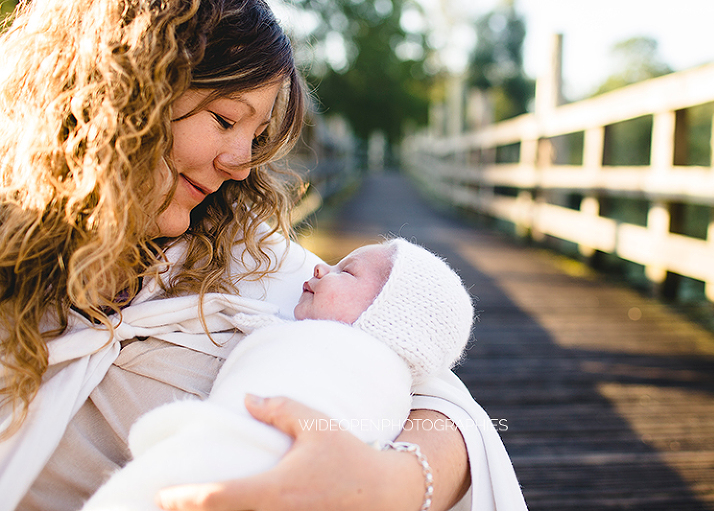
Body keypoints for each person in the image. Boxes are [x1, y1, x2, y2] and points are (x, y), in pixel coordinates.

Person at [0, 1, 527, 510]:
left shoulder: (246, 259)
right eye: (226, 120)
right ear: (120, 93)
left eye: (257, 134)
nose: (241, 165)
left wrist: (395, 484)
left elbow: (447, 406)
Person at [82, 238, 474, 510]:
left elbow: (459, 415)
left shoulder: (360, 364)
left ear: (387, 318)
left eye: (345, 272)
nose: (320, 265)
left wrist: (394, 484)